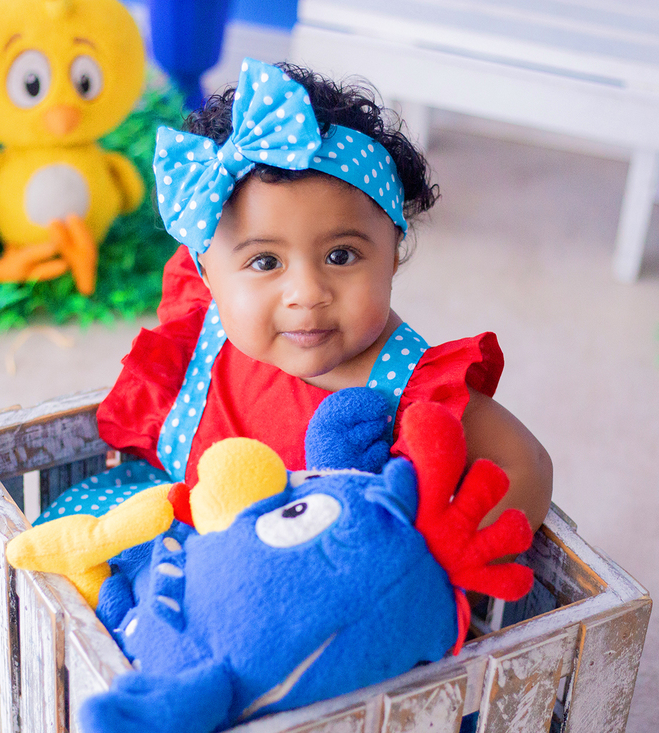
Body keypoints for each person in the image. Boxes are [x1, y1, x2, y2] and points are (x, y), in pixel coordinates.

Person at [40, 58, 552, 535]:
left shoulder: (415, 389)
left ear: (393, 253)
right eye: (265, 263)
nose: (307, 294)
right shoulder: (207, 327)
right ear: (208, 274)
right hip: (182, 537)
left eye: (342, 256)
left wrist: (426, 554)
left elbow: (525, 464)